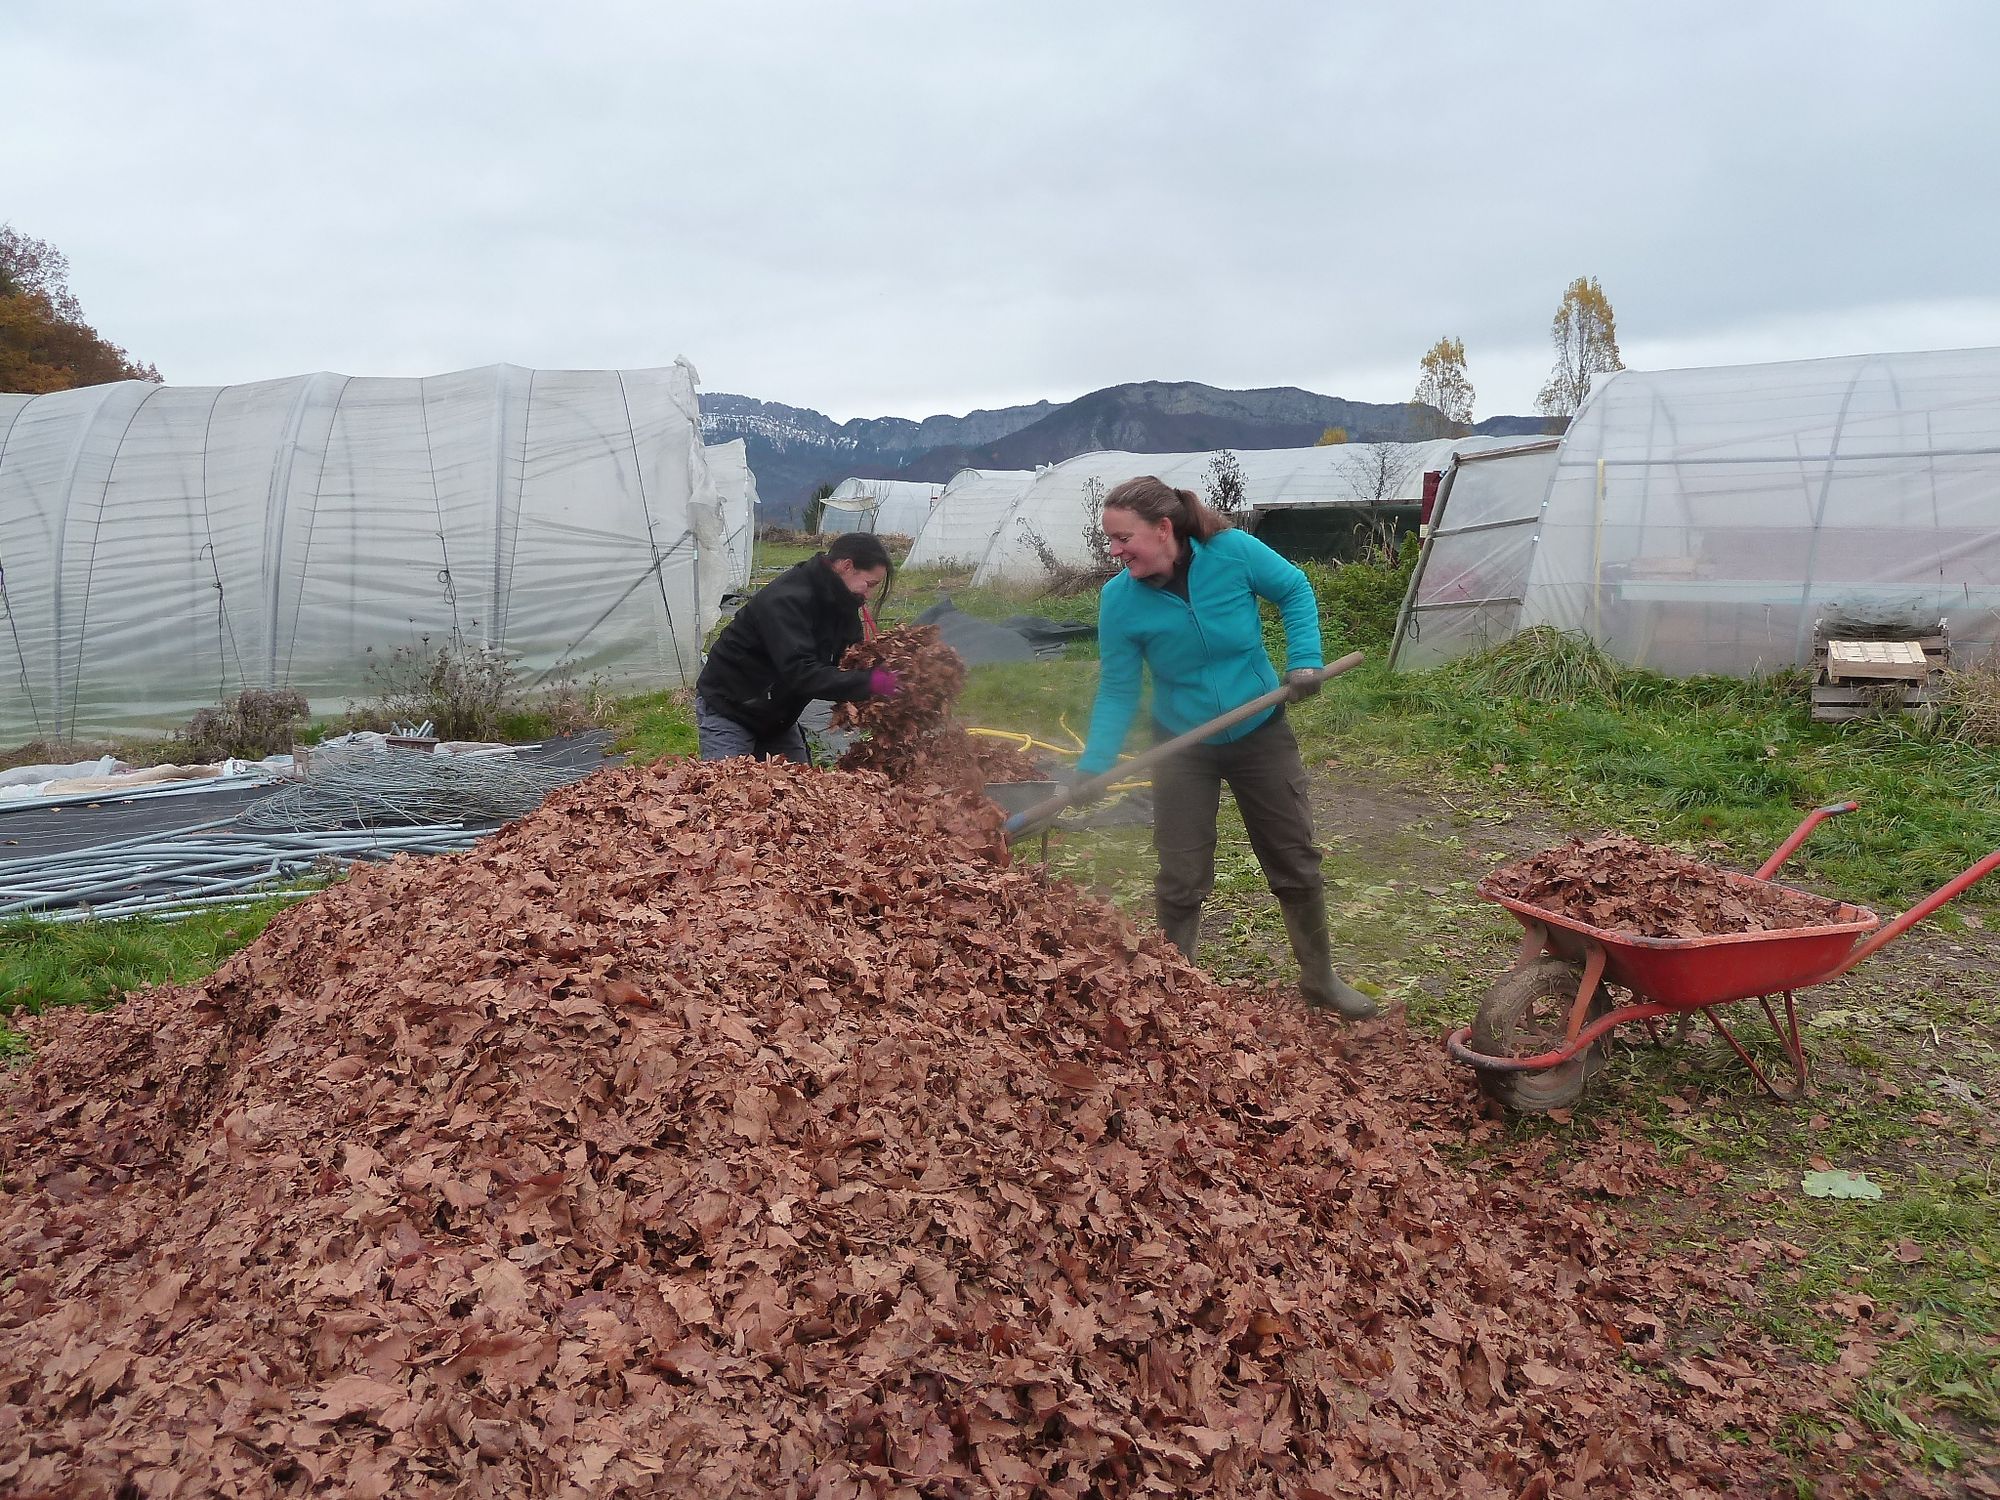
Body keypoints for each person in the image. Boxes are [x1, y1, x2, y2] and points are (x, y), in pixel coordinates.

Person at [1073, 476, 1377, 1020]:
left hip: (1260, 731)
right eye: (1110, 539)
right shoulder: (1119, 600)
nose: (1114, 551)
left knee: (1294, 860)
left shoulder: (1232, 552)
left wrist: (1305, 659)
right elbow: (1118, 689)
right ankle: (1174, 990)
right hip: (1181, 745)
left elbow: (1294, 589)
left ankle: (1320, 978)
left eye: (1123, 538)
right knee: (1181, 873)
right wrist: (1094, 765)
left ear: (1163, 528)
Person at [695, 531, 901, 763]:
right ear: (847, 566)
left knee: (801, 783)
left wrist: (886, 678)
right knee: (729, 782)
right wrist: (872, 682)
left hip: (778, 716)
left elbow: (849, 658)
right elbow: (802, 673)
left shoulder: (842, 602)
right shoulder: (786, 600)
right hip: (730, 707)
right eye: (870, 584)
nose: (869, 594)